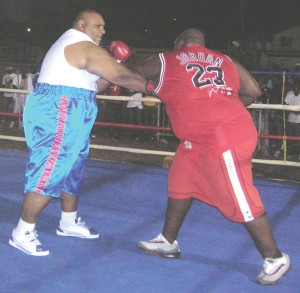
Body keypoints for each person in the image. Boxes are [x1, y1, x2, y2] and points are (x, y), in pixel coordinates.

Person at [134, 28, 290, 285]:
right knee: (180, 180)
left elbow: (134, 75)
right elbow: (254, 91)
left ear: (179, 42)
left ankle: (274, 258)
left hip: (222, 139)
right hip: (198, 140)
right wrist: (221, 106)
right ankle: (167, 241)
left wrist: (145, 83)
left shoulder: (167, 58)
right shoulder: (226, 60)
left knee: (241, 198)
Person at [9, 9, 152, 256]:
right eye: (98, 26)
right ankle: (22, 231)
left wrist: (116, 61)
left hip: (76, 106)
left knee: (74, 166)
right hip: (59, 106)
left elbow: (98, 84)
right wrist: (161, 89)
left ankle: (68, 221)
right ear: (82, 24)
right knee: (51, 167)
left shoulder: (85, 51)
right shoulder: (79, 43)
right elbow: (122, 76)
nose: (103, 31)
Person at [284, 81, 300, 158]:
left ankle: (298, 154)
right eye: (295, 86)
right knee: (290, 137)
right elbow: (285, 104)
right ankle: (290, 153)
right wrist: (292, 109)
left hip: (299, 121)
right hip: (290, 119)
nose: (295, 88)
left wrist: (291, 109)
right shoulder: (290, 93)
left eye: (297, 87)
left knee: (298, 138)